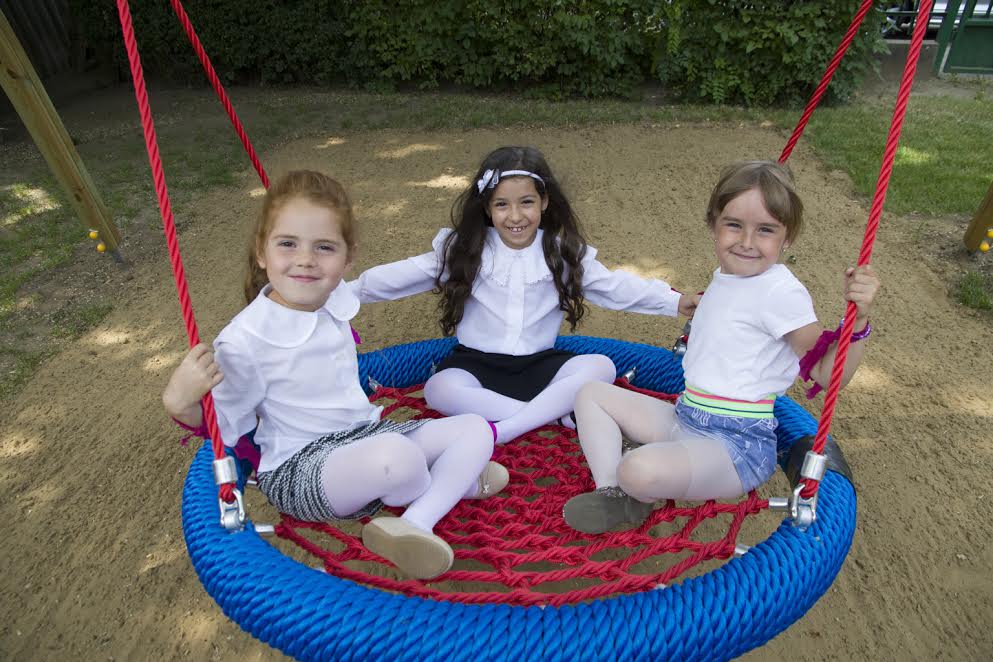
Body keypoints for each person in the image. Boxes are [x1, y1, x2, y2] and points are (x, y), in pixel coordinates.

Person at [162, 170, 508, 579]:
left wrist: (452, 258)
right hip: (300, 466)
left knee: (476, 428)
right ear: (261, 252)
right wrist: (180, 403)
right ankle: (447, 483)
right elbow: (226, 427)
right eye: (288, 244)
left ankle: (418, 519)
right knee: (400, 457)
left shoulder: (332, 296)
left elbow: (386, 280)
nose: (306, 259)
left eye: (324, 247)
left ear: (347, 258)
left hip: (367, 437)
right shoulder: (245, 341)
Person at [563, 160, 881, 534]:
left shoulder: (780, 292)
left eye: (765, 230)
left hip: (736, 446)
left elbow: (827, 374)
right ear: (713, 225)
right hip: (686, 417)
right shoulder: (727, 276)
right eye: (734, 225)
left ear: (787, 237)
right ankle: (615, 494)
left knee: (636, 469)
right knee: (591, 394)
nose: (747, 242)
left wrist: (858, 322)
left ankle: (635, 480)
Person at [350, 146, 697, 444]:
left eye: (526, 202)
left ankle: (507, 428)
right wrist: (347, 291)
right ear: (487, 207)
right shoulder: (466, 250)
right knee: (439, 388)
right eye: (502, 204)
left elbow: (614, 287)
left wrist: (674, 301)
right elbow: (404, 274)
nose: (515, 216)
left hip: (540, 366)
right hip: (476, 366)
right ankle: (550, 417)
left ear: (544, 202)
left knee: (600, 366)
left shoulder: (561, 253)